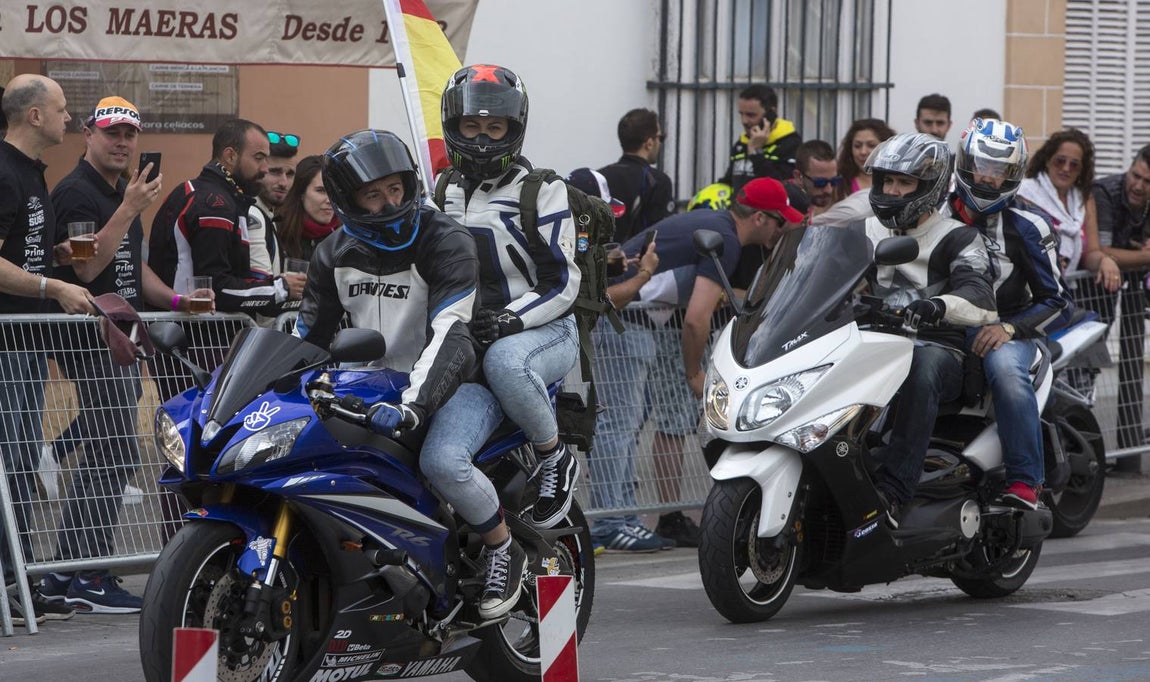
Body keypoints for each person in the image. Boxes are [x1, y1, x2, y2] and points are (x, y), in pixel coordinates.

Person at [295, 129, 482, 606]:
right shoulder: (332, 254)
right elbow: (305, 341)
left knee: (442, 464)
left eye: (395, 189)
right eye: (373, 194)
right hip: (368, 391)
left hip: (444, 386)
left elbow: (451, 332)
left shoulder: (445, 239)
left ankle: (501, 553)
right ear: (347, 200)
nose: (388, 202)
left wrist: (415, 405)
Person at [426, 64, 582, 619]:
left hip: (543, 331)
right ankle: (501, 552)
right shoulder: (440, 188)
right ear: (452, 125)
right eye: (472, 126)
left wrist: (513, 320)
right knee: (441, 460)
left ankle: (554, 455)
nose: (483, 138)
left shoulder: (544, 188)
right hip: (474, 349)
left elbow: (565, 280)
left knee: (507, 359)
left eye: (496, 129)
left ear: (515, 128)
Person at [40, 95, 193, 613]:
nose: (123, 143)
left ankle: (65, 574)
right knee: (116, 451)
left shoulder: (118, 193)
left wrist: (176, 300)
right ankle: (83, 572)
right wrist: (130, 208)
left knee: (112, 449)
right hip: (90, 341)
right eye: (112, 133)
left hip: (121, 337)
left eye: (129, 134)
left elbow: (130, 264)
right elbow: (85, 269)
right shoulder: (79, 193)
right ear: (88, 133)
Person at [590, 177, 797, 551]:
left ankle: (620, 517)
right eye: (781, 222)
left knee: (624, 421)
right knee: (618, 424)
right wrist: (694, 374)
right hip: (621, 320)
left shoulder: (712, 223)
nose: (780, 231)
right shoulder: (726, 240)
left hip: (629, 323)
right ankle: (608, 523)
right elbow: (696, 318)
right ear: (763, 218)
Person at [861, 132, 997, 525]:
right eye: (887, 180)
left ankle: (895, 491)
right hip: (873, 343)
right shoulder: (866, 231)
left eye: (904, 182)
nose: (892, 190)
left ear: (930, 187)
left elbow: (981, 296)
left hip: (941, 350)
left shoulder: (958, 236)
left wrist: (938, 305)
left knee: (920, 366)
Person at [0, 74, 94, 625]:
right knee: (12, 462)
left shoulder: (33, 175)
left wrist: (50, 256)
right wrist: (51, 286)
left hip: (28, 342)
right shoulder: (6, 172)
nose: (70, 119)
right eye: (62, 110)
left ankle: (20, 577)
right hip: (9, 341)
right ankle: (14, 579)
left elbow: (20, 250)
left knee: (19, 461)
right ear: (34, 116)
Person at [947, 118, 1073, 508]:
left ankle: (1025, 481)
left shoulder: (1029, 224)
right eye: (982, 166)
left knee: (1005, 370)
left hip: (1009, 331)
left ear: (1013, 174)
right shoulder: (932, 210)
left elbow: (1058, 301)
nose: (987, 178)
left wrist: (1009, 328)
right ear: (966, 163)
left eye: (1000, 170)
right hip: (944, 327)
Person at [148, 118, 306, 315]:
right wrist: (280, 289)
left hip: (183, 330)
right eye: (259, 158)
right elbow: (216, 288)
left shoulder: (197, 190)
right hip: (195, 334)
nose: (264, 168)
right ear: (230, 156)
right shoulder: (216, 205)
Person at [1089, 144, 1150, 455]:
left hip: (1134, 292)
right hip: (1092, 291)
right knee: (1087, 363)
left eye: (1147, 181)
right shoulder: (1105, 190)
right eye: (1135, 175)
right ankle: (1082, 439)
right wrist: (1143, 255)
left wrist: (1134, 258)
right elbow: (1102, 250)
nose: (1138, 185)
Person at [597, 108, 675, 242]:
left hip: (601, 259)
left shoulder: (599, 177)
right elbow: (660, 235)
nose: (660, 143)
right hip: (637, 260)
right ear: (649, 143)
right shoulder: (657, 181)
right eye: (660, 138)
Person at [719, 84, 802, 192]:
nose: (744, 121)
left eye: (751, 115)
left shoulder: (791, 144)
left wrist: (756, 153)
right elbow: (729, 182)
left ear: (771, 113)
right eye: (741, 114)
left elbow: (783, 188)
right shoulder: (742, 144)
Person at [249, 130, 300, 277]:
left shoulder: (268, 214)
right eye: (275, 172)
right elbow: (261, 287)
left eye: (290, 174)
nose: (284, 183)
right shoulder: (250, 215)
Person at [277, 155, 339, 261]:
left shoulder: (346, 238)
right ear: (301, 193)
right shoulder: (278, 231)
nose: (329, 200)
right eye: (321, 190)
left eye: (333, 191)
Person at [837, 118, 895, 194]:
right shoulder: (840, 182)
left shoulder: (900, 179)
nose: (863, 152)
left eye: (871, 145)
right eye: (857, 146)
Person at [791, 139, 844, 219]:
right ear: (799, 177)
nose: (828, 190)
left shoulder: (842, 201)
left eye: (834, 181)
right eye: (820, 182)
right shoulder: (783, 205)